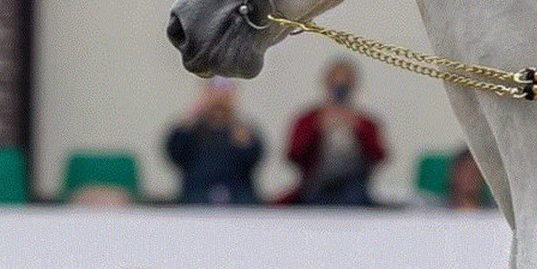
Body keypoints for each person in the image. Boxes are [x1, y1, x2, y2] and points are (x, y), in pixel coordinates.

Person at [285, 58, 387, 206]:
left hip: (354, 189)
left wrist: (358, 128)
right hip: (315, 188)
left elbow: (379, 156)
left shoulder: (365, 122)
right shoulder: (309, 119)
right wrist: (317, 127)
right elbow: (294, 154)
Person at [165, 77, 263, 205]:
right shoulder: (191, 131)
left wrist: (244, 142)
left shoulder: (243, 133)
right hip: (196, 198)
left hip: (238, 200)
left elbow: (253, 160)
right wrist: (193, 115)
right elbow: (175, 152)